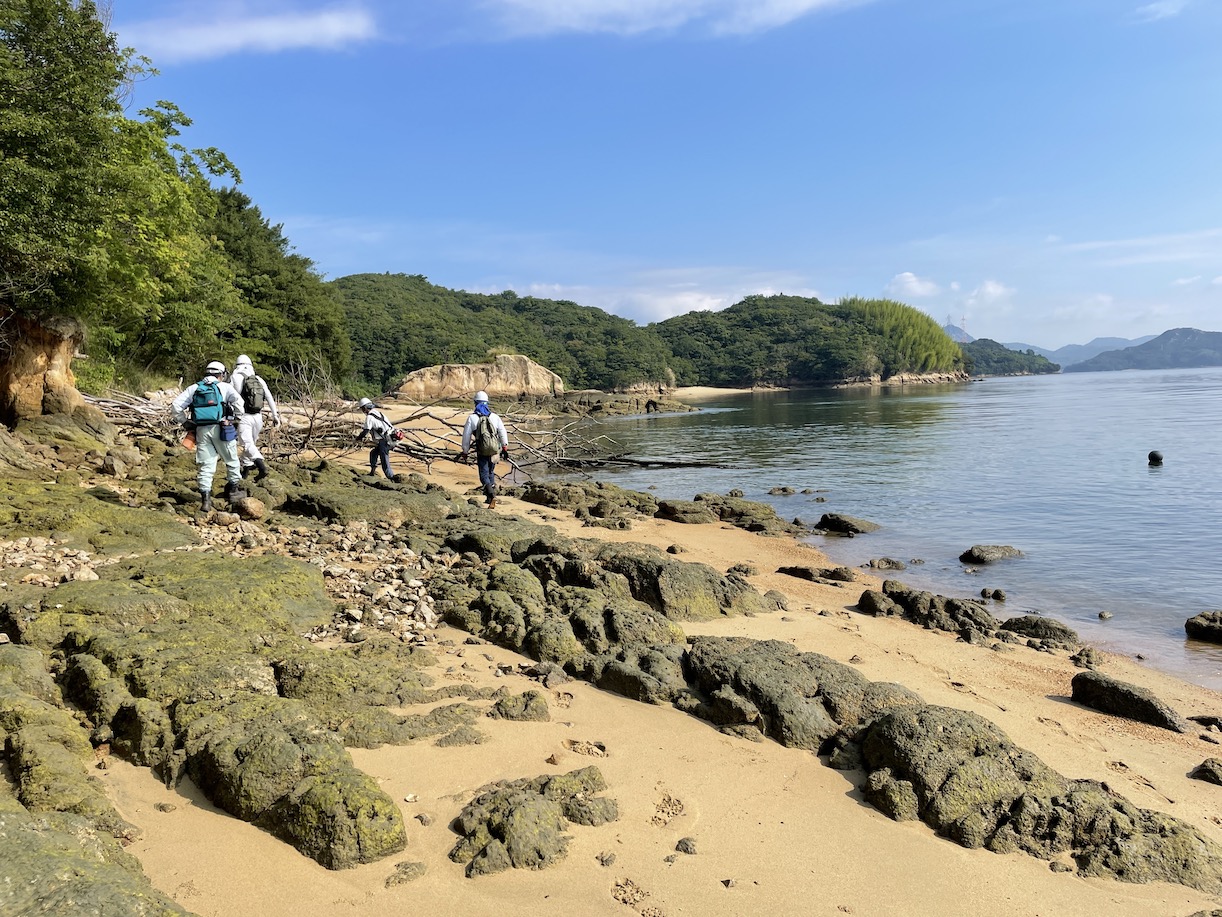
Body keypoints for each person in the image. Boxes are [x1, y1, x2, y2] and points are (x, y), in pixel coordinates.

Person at [171, 360, 245, 512]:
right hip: (222, 428)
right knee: (231, 460)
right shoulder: (225, 387)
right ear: (221, 374)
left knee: (206, 465)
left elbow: (176, 406)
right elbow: (239, 403)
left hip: (201, 430)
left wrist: (185, 422)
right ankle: (233, 491)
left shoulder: (195, 388)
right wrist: (236, 419)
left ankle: (206, 501)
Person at [230, 354, 282, 482]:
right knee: (250, 444)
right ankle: (245, 473)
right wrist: (275, 415)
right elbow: (269, 397)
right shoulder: (259, 379)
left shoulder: (234, 377)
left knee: (247, 444)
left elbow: (229, 397)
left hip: (244, 417)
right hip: (258, 417)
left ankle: (261, 467)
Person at [459, 391, 510, 508]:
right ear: (487, 403)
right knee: (491, 472)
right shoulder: (494, 417)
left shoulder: (472, 418)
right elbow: (502, 431)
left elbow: (466, 437)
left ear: (475, 403)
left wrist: (465, 451)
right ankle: (489, 497)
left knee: (483, 475)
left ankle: (491, 495)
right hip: (494, 449)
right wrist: (505, 447)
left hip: (482, 450)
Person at [355, 397, 396, 478]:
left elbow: (366, 431)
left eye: (362, 408)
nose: (363, 411)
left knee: (385, 462)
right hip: (391, 438)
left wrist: (358, 439)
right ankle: (372, 472)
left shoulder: (369, 417)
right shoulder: (380, 413)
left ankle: (392, 478)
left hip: (384, 441)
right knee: (373, 453)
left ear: (365, 408)